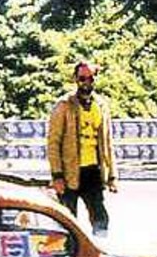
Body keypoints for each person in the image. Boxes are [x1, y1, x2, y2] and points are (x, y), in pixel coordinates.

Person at [46, 61, 117, 236]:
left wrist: (112, 175)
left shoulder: (101, 106)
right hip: (69, 172)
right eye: (82, 78)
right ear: (75, 79)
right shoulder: (64, 105)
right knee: (68, 222)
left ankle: (100, 252)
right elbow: (53, 142)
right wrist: (57, 175)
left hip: (93, 170)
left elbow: (107, 142)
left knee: (101, 218)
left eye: (90, 78)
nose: (86, 82)